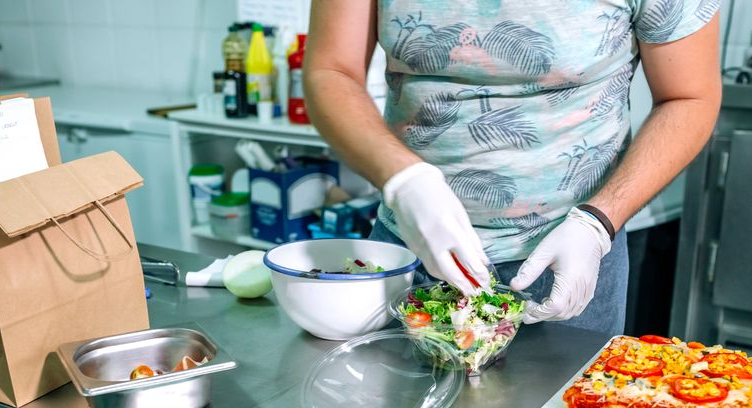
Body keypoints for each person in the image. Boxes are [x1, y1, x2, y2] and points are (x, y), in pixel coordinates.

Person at [304, 0, 721, 335]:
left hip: (569, 255)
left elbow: (689, 97)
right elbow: (331, 70)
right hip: (409, 247)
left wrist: (598, 222)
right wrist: (404, 178)